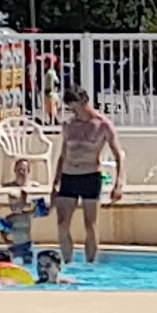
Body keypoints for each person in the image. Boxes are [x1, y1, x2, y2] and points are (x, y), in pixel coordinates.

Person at [50, 87, 124, 264]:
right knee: (62, 224)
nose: (73, 112)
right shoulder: (69, 125)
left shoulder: (103, 125)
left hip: (90, 176)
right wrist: (55, 183)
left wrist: (119, 183)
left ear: (84, 103)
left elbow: (119, 155)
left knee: (90, 224)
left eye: (75, 107)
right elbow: (63, 155)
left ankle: (90, 263)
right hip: (69, 176)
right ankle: (67, 262)